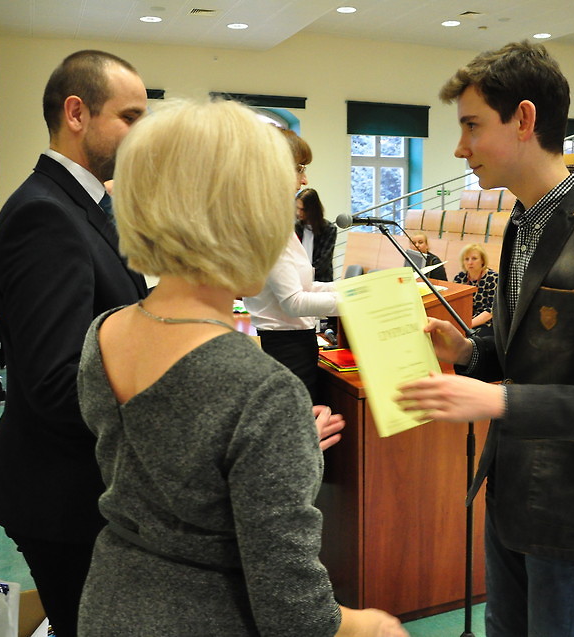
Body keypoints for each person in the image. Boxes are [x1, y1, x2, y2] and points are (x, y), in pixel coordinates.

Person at [76, 98, 406, 637]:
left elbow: (168, 462)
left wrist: (278, 445)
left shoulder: (105, 331)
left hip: (111, 601)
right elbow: (295, 612)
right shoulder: (261, 389)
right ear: (242, 216)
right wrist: (369, 626)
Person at [396, 41, 574, 637]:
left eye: (472, 125)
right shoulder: (522, 222)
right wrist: (468, 351)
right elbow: (528, 351)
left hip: (570, 507)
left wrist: (499, 400)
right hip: (510, 487)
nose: (459, 147)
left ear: (523, 119)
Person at [0, 50, 149, 637]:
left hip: (80, 486)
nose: (141, 134)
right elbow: (59, 382)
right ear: (76, 113)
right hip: (65, 497)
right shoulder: (46, 214)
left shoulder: (82, 204)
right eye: (130, 117)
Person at [243, 130, 339, 403]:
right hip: (286, 348)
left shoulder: (276, 221)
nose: (304, 179)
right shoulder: (267, 225)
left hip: (293, 343)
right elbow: (293, 302)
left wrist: (354, 289)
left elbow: (303, 286)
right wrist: (358, 304)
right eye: (299, 169)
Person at [452, 243, 497, 333]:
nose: (470, 262)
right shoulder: (460, 277)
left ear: (482, 261)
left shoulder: (493, 278)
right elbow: (453, 304)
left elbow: (491, 311)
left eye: (474, 258)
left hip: (486, 324)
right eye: (466, 259)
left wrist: (466, 326)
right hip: (463, 321)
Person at [295, 188, 338, 282]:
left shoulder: (329, 230)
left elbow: (323, 263)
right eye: (297, 208)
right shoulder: (296, 228)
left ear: (312, 210)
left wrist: (305, 275)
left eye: (302, 209)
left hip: (320, 281)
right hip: (298, 281)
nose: (298, 213)